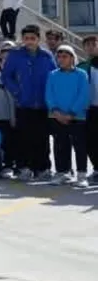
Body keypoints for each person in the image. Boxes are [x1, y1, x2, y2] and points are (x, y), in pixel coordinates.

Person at [1, 25, 57, 182]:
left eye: (33, 38)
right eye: (26, 38)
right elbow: (6, 76)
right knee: (24, 137)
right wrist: (17, 91)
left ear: (38, 39)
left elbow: (54, 76)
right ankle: (24, 167)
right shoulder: (15, 55)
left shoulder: (46, 56)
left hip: (43, 104)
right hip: (23, 103)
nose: (29, 41)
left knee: (42, 138)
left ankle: (42, 168)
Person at [45, 45, 90, 186]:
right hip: (56, 116)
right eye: (59, 57)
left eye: (65, 56)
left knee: (79, 145)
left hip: (77, 116)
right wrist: (56, 112)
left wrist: (71, 113)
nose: (61, 59)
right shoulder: (52, 75)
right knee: (60, 145)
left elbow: (83, 95)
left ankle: (81, 175)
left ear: (72, 58)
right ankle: (62, 172)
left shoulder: (81, 74)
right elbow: (49, 94)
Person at [80, 36, 98, 186]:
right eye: (87, 45)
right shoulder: (82, 67)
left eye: (94, 44)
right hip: (90, 109)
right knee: (91, 141)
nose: (91, 47)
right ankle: (97, 168)